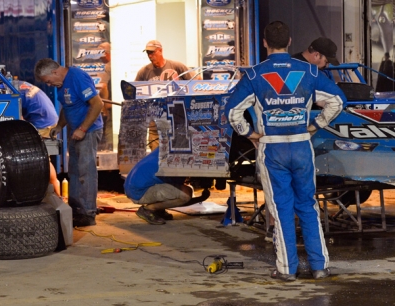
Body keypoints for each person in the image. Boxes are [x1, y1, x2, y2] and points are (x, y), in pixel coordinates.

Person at [225, 21, 346, 281]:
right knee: (308, 205)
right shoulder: (309, 71)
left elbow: (232, 111)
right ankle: (320, 267)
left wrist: (250, 134)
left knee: (281, 209)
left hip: (272, 150)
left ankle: (286, 269)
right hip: (302, 146)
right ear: (290, 41)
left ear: (265, 43)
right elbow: (338, 101)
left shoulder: (255, 75)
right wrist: (315, 125)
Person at [34, 58, 104, 227]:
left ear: (55, 72)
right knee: (74, 171)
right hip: (76, 131)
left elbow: (97, 104)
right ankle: (76, 210)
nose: (49, 85)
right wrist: (59, 127)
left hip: (88, 130)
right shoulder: (61, 84)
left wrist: (83, 129)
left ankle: (88, 213)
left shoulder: (78, 77)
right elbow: (67, 107)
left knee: (86, 172)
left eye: (48, 81)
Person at [135, 40, 202, 150]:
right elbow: (135, 92)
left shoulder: (176, 66)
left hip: (177, 115)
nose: (150, 56)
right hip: (155, 118)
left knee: (178, 148)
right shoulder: (144, 72)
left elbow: (197, 81)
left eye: (152, 52)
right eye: (148, 53)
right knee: (156, 151)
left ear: (160, 51)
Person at [124, 149, 210, 225]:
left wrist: (200, 198)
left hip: (133, 187)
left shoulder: (166, 149)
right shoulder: (177, 159)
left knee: (180, 191)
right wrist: (200, 198)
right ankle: (148, 209)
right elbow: (182, 199)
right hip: (139, 192)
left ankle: (159, 209)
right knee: (186, 193)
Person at [15, 80, 61, 197]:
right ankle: (56, 194)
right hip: (50, 120)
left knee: (41, 159)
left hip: (43, 124)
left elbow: (17, 117)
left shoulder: (10, 90)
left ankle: (56, 195)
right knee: (43, 158)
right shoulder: (19, 84)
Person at [97, 42, 113, 150]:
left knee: (109, 128)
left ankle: (110, 148)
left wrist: (106, 105)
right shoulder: (117, 65)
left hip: (111, 105)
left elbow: (102, 86)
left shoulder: (106, 67)